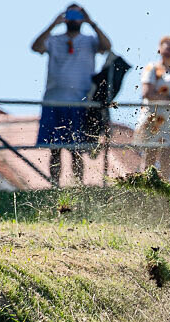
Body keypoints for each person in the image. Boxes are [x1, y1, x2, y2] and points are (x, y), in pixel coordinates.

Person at [31, 4, 111, 187]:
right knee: (55, 150)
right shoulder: (53, 39)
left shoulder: (90, 40)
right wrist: (53, 24)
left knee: (77, 149)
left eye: (78, 15)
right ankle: (54, 186)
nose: (74, 18)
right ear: (64, 17)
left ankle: (78, 187)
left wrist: (92, 22)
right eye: (71, 14)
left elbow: (107, 46)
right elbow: (35, 47)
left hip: (79, 103)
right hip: (54, 101)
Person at [135, 35, 170, 175]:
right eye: (167, 46)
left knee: (166, 157)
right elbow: (147, 93)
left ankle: (164, 191)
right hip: (153, 117)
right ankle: (145, 189)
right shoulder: (152, 68)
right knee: (150, 155)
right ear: (160, 48)